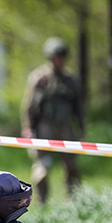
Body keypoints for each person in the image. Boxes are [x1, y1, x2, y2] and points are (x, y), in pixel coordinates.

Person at [21, 37, 84, 204]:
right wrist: (28, 128)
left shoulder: (71, 79)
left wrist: (81, 127)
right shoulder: (39, 78)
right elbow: (28, 106)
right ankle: (43, 202)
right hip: (44, 128)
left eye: (62, 56)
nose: (60, 59)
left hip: (65, 128)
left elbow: (79, 106)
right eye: (56, 56)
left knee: (71, 166)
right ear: (49, 57)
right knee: (42, 167)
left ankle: (73, 200)